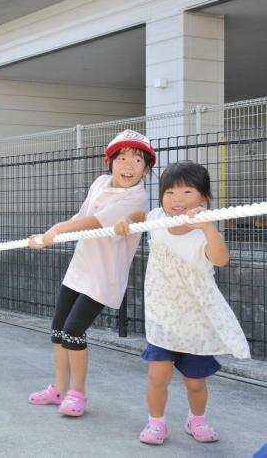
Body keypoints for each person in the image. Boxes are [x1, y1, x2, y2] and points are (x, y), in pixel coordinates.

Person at [114, 161, 249, 445]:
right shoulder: (156, 218)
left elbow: (221, 260)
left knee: (195, 381)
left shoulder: (204, 231)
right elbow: (141, 214)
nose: (178, 199)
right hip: (163, 316)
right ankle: (156, 423)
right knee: (157, 375)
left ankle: (196, 420)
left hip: (195, 320)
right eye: (171, 192)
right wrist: (128, 220)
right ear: (161, 195)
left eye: (187, 192)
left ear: (203, 198)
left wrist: (210, 230)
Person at [27, 129, 156, 417]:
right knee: (58, 330)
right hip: (80, 268)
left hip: (103, 278)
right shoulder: (100, 183)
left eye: (137, 161)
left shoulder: (136, 198)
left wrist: (56, 230)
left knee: (73, 332)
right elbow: (81, 215)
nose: (128, 166)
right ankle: (59, 389)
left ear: (146, 169)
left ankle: (78, 393)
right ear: (109, 161)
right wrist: (49, 236)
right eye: (122, 158)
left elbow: (93, 223)